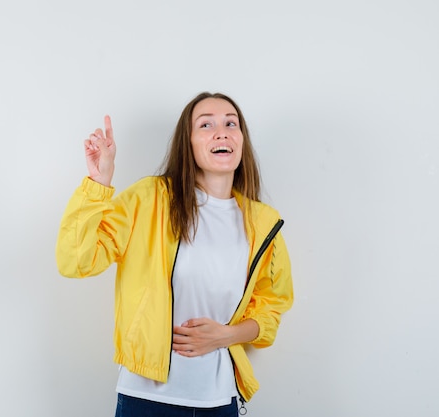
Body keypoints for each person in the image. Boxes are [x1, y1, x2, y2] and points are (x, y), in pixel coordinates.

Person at [55, 92, 294, 417]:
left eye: (230, 123)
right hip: (144, 399)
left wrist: (227, 335)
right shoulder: (149, 199)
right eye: (206, 124)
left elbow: (270, 309)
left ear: (241, 140)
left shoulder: (261, 223)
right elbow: (76, 261)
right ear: (189, 142)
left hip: (219, 402)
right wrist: (99, 182)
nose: (221, 131)